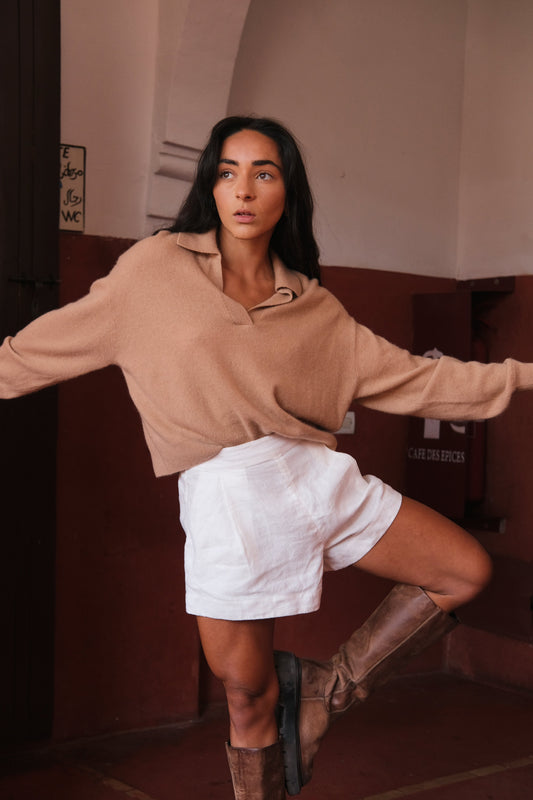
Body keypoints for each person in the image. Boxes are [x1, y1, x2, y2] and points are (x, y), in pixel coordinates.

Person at [1, 115, 532, 799]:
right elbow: (32, 352)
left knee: (463, 570)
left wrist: (522, 375)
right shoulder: (154, 270)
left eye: (263, 172)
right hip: (228, 497)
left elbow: (421, 380)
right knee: (247, 697)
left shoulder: (315, 307)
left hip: (316, 479)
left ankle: (323, 692)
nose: (243, 189)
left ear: (288, 192)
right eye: (227, 172)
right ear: (209, 187)